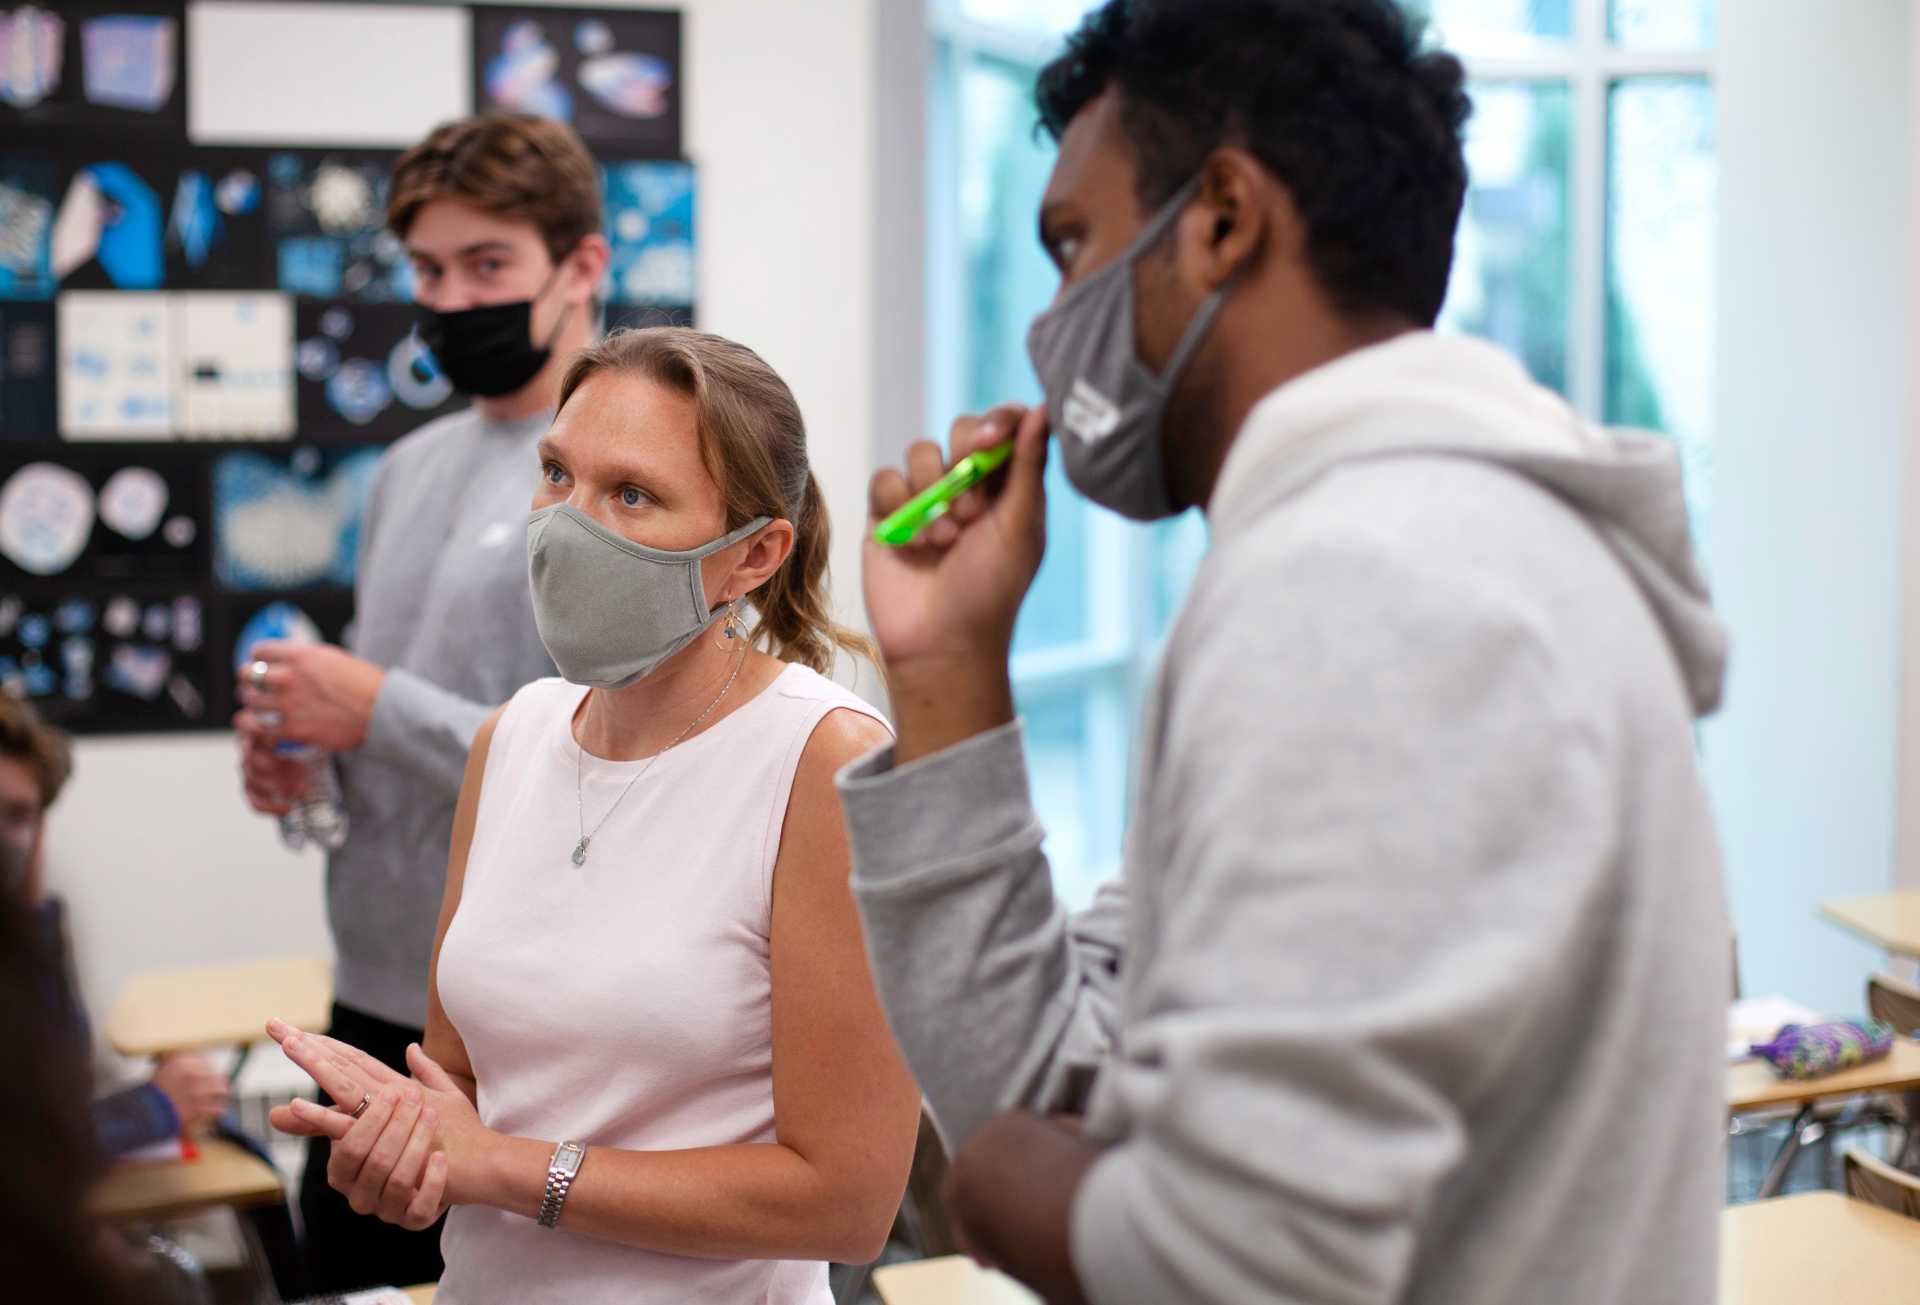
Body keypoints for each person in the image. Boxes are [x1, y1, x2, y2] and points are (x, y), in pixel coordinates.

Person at [838, 2, 1731, 1303]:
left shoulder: (1367, 588)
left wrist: (996, 1186)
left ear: (1220, 220)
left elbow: (1235, 1261)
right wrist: (942, 673)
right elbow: (1082, 1089)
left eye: (1074, 245)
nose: (1056, 318)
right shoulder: (1406, 552)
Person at [267, 327, 921, 1303]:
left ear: (752, 556)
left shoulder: (825, 763)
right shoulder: (513, 738)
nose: (566, 526)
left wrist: (498, 1168)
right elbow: (465, 1097)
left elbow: (845, 1202)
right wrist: (406, 1155)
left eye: (631, 495)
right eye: (556, 474)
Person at [231, 114, 610, 1291]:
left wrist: (376, 705)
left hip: (534, 1020)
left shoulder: (614, 480)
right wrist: (308, 769)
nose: (451, 301)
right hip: (373, 990)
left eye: (487, 266)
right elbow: (391, 742)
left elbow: (612, 764)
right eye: (429, 272)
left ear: (580, 268)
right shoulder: (407, 469)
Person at [0, 696, 232, 1162]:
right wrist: (156, 1106)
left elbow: (55, 1105)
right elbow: (27, 1158)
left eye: (19, 816)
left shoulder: (27, 937)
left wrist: (30, 911)